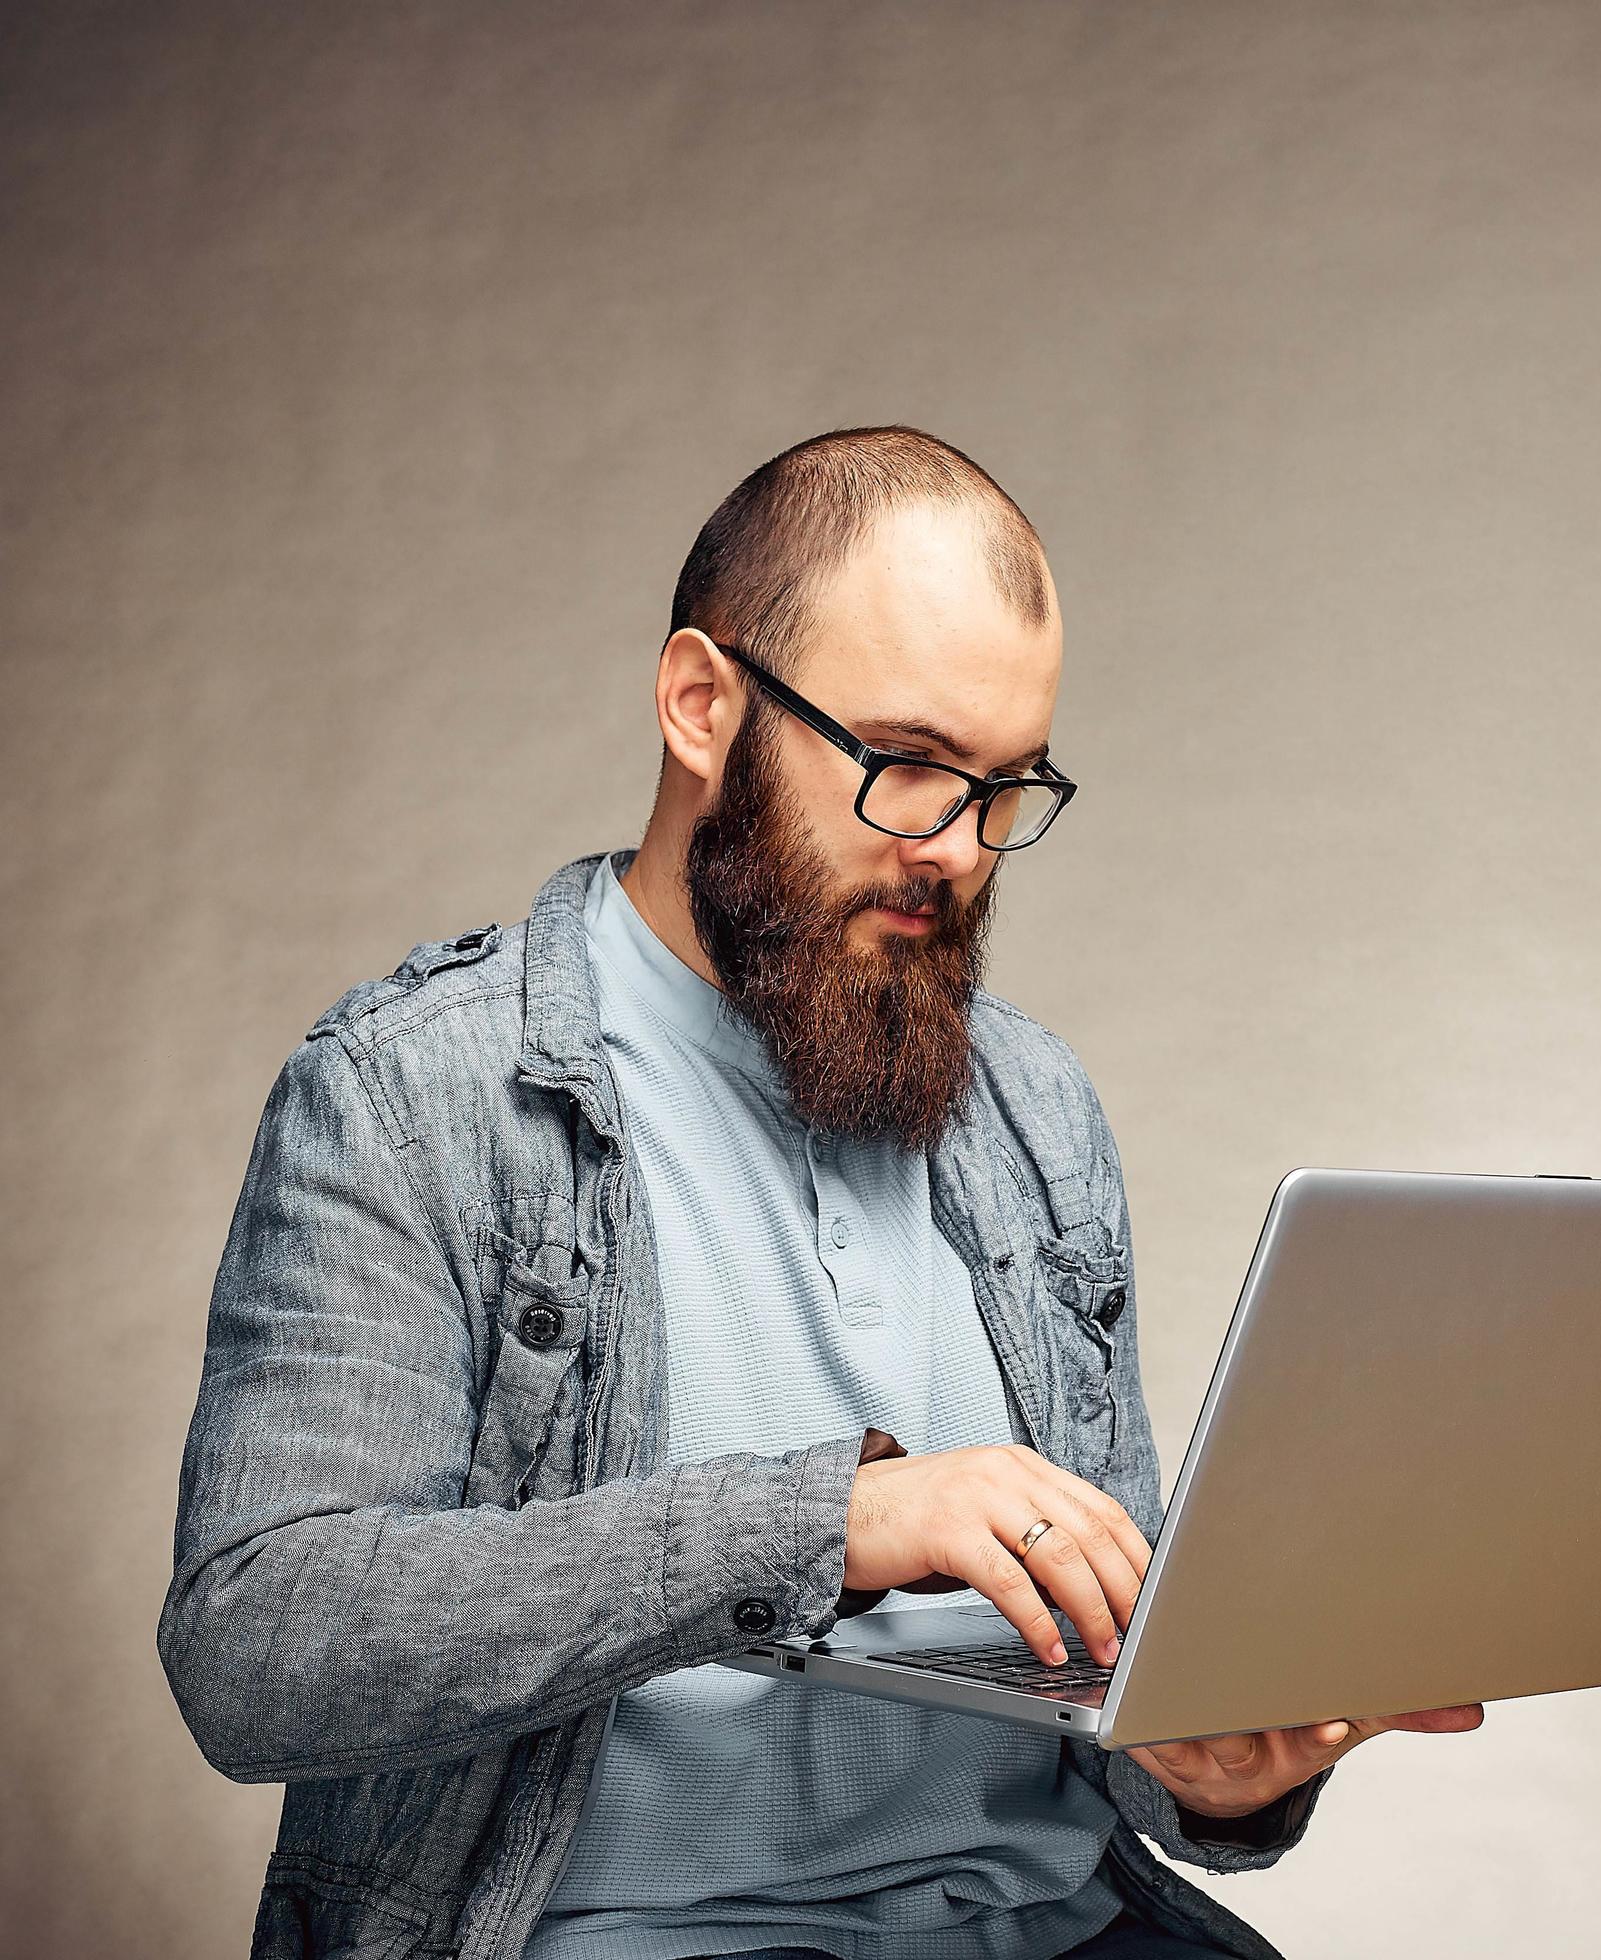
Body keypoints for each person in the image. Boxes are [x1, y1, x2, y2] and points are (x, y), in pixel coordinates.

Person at [160, 426, 1481, 1960]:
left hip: (1052, 1926)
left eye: (1006, 787)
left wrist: (1208, 1770)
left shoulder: (1037, 1111)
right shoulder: (413, 1095)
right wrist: (825, 1522)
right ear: (702, 704)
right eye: (906, 766)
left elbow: (1110, 1682)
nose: (959, 852)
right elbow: (259, 1646)